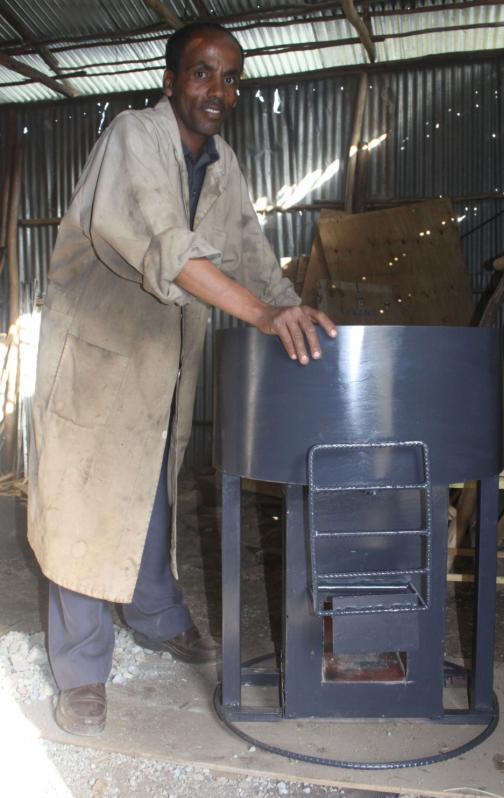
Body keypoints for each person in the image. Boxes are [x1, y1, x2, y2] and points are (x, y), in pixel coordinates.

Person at [28, 22, 336, 737]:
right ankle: (80, 672)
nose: (217, 90)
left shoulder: (222, 165)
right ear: (170, 81)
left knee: (151, 491)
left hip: (159, 358)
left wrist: (295, 312)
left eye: (231, 78)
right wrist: (263, 315)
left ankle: (154, 613)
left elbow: (251, 253)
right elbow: (167, 246)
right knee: (84, 504)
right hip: (97, 355)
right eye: (202, 73)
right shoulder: (134, 137)